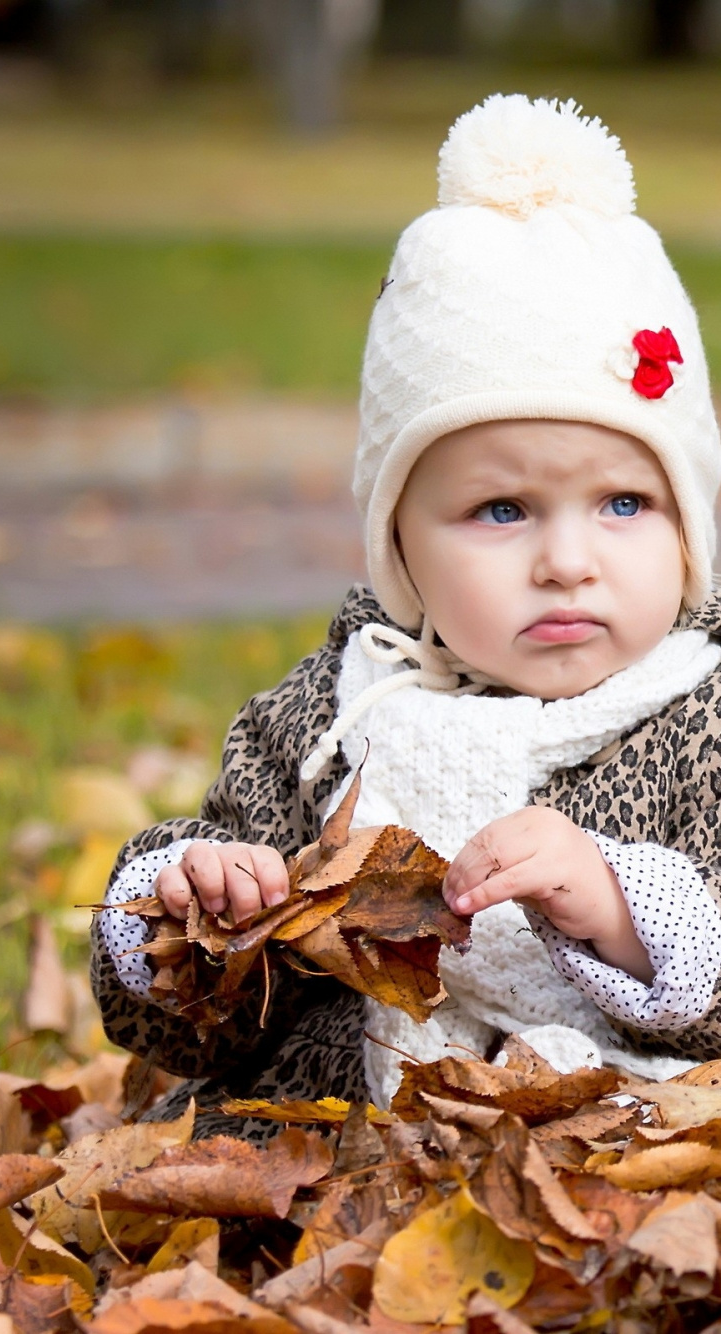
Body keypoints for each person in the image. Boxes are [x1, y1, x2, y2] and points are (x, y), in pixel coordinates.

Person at [91, 93, 721, 1138]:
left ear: (690, 527)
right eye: (501, 509)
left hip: (619, 1139)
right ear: (403, 551)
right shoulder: (334, 718)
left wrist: (623, 908)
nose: (568, 561)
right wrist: (195, 912)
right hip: (337, 1142)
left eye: (624, 502)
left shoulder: (699, 716)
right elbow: (190, 1032)